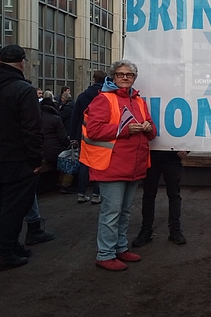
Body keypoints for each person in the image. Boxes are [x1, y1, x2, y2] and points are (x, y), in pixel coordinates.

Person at [0, 52, 55, 253]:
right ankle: (8, 248)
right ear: (22, 62)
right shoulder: (22, 89)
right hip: (15, 156)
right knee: (14, 205)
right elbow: (32, 128)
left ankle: (1, 241)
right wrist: (35, 158)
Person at [81, 60, 156, 271]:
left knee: (124, 211)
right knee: (111, 212)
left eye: (129, 75)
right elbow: (93, 130)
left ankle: (120, 248)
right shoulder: (103, 99)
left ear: (134, 78)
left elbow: (151, 132)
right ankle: (105, 254)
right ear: (113, 77)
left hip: (134, 165)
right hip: (111, 166)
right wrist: (126, 129)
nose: (125, 77)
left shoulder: (139, 101)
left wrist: (148, 127)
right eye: (120, 74)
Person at [132, 150, 189, 247]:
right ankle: (146, 230)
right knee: (149, 195)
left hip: (173, 158)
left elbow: (192, 136)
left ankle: (175, 230)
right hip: (151, 157)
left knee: (173, 195)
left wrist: (186, 149)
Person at [69, 70, 106, 203]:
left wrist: (74, 136)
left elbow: (75, 117)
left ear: (93, 79)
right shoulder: (105, 96)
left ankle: (81, 193)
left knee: (84, 163)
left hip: (83, 133)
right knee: (98, 164)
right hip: (100, 133)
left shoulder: (82, 96)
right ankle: (96, 194)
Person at [39, 93, 70, 189]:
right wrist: (69, 145)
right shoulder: (56, 119)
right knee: (70, 157)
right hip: (54, 151)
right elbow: (63, 138)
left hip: (39, 149)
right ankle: (64, 184)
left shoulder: (36, 117)